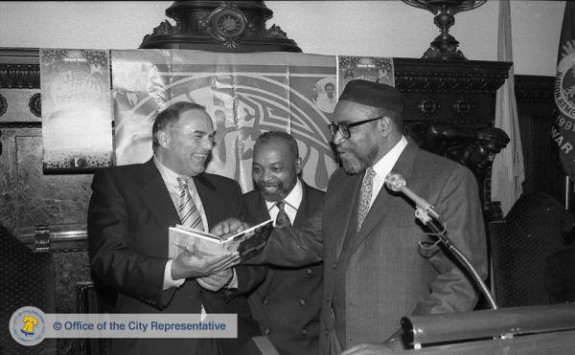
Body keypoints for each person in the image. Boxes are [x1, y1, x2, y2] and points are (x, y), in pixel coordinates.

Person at [253, 80, 488, 354]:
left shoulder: (446, 179)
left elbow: (461, 282)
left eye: (345, 129)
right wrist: (234, 244)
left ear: (384, 126)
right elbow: (305, 242)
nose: (336, 139)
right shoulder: (342, 181)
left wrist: (398, 345)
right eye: (334, 129)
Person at [88, 101, 258, 355]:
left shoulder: (227, 190)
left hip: (227, 339)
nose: (209, 145)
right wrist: (174, 271)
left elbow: (256, 261)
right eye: (198, 136)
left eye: (211, 137)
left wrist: (230, 278)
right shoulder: (118, 184)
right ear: (164, 138)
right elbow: (107, 260)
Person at [236, 131, 324, 355]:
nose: (265, 177)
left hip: (311, 345)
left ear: (298, 165)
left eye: (276, 169)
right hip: (257, 345)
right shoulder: (239, 209)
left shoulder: (326, 205)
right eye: (257, 169)